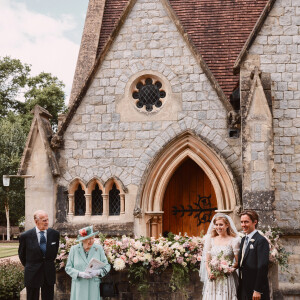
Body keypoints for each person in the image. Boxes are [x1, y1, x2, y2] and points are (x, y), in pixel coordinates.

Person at [18, 210, 60, 300]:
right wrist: (31, 266)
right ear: (36, 221)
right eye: (44, 220)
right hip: (32, 273)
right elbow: (22, 255)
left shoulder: (55, 234)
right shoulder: (25, 236)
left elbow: (54, 252)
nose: (47, 222)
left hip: (48, 274)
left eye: (47, 220)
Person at [200, 213, 241, 300]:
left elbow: (238, 262)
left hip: (227, 278)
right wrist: (209, 272)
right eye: (216, 225)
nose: (218, 227)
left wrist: (228, 269)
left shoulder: (234, 241)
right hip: (213, 279)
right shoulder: (210, 240)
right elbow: (207, 261)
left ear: (227, 225)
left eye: (221, 224)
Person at [65, 225, 111, 300]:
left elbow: (107, 266)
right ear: (83, 240)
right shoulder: (74, 249)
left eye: (92, 238)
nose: (91, 241)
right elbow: (68, 268)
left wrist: (97, 272)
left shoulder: (98, 249)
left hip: (93, 286)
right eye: (88, 239)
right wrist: (79, 274)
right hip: (79, 287)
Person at [238, 210, 270, 300]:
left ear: (255, 222)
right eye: (241, 222)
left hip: (255, 289)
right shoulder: (243, 239)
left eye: (246, 222)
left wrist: (257, 290)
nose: (243, 225)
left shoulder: (261, 240)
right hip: (244, 286)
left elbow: (262, 267)